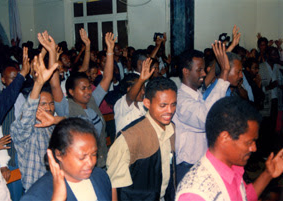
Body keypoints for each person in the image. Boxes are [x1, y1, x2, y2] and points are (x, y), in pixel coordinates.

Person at [175, 96, 283, 201]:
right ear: (225, 138)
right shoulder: (195, 194)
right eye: (249, 142)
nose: (254, 148)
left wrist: (268, 174)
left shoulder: (232, 165)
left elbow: (243, 196)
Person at [47, 31, 116, 168]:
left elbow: (107, 77)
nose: (88, 91)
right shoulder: (66, 107)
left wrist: (109, 50)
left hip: (101, 161)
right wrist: (52, 55)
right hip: (80, 166)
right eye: (83, 88)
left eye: (89, 87)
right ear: (71, 92)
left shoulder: (92, 101)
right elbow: (55, 86)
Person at [107, 77, 177, 201]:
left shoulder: (171, 128)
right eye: (163, 105)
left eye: (173, 104)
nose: (170, 111)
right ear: (147, 103)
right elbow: (114, 185)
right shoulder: (130, 137)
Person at [172, 41, 231, 184]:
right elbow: (205, 117)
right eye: (199, 70)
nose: (204, 73)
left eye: (204, 69)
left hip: (201, 162)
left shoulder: (197, 94)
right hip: (187, 167)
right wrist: (223, 73)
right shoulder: (180, 100)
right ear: (186, 71)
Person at [0, 38, 30, 200]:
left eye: (17, 77)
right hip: (9, 155)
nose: (15, 80)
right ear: (3, 80)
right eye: (11, 78)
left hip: (23, 151)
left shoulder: (23, 97)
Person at [20, 118, 112, 201]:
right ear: (59, 154)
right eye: (82, 157)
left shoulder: (100, 176)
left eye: (94, 154)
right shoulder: (36, 196)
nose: (90, 163)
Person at [10, 53, 63, 191]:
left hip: (57, 186)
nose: (49, 108)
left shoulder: (53, 126)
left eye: (51, 104)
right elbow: (26, 117)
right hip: (36, 190)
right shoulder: (27, 128)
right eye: (44, 104)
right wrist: (38, 84)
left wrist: (56, 120)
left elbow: (80, 122)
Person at [114, 58, 154, 133]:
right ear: (129, 89)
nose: (143, 92)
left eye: (143, 89)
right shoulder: (121, 103)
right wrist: (141, 80)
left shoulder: (142, 104)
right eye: (140, 89)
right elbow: (130, 97)